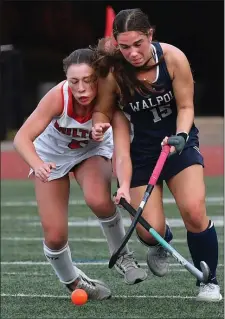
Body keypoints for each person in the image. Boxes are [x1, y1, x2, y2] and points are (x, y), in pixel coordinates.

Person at [91, 8, 222, 301]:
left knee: (193, 210)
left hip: (179, 142)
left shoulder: (173, 59)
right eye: (124, 47)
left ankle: (209, 281)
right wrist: (99, 123)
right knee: (150, 232)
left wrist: (181, 136)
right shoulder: (115, 72)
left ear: (150, 34)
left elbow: (186, 107)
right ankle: (163, 241)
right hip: (142, 153)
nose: (132, 53)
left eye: (138, 43)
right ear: (116, 43)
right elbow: (102, 109)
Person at [13, 48, 148, 300]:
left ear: (99, 78)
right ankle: (74, 282)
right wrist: (37, 163)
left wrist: (124, 186)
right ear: (66, 79)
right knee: (54, 236)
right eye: (74, 81)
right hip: (51, 155)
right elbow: (22, 137)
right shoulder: (58, 96)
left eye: (88, 80)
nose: (81, 88)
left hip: (92, 152)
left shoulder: (112, 102)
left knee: (98, 199)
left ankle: (123, 257)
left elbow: (122, 154)